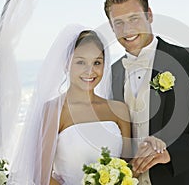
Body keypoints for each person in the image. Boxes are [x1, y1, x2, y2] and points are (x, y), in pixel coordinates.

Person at [104, 0, 189, 184]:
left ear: (149, 15)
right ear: (111, 27)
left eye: (134, 18)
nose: (127, 30)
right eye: (119, 23)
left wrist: (169, 153)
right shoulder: (111, 74)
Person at [8, 24, 133, 185]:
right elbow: (42, 176)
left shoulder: (119, 110)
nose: (90, 71)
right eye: (81, 62)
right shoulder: (55, 110)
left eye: (97, 62)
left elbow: (129, 167)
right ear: (67, 64)